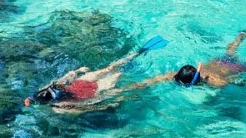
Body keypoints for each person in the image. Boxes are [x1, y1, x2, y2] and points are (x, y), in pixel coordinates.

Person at [123, 29, 246, 93]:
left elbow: (235, 82)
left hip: (233, 67)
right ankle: (241, 36)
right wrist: (128, 88)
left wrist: (243, 82)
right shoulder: (179, 74)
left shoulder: (215, 82)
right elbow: (149, 81)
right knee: (230, 51)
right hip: (220, 62)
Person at [24, 35, 168, 110]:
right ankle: (137, 53)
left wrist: (106, 105)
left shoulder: (59, 108)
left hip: (91, 92)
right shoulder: (45, 88)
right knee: (110, 69)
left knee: (116, 74)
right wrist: (77, 71)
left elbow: (84, 107)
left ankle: (134, 62)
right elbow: (63, 79)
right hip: (82, 82)